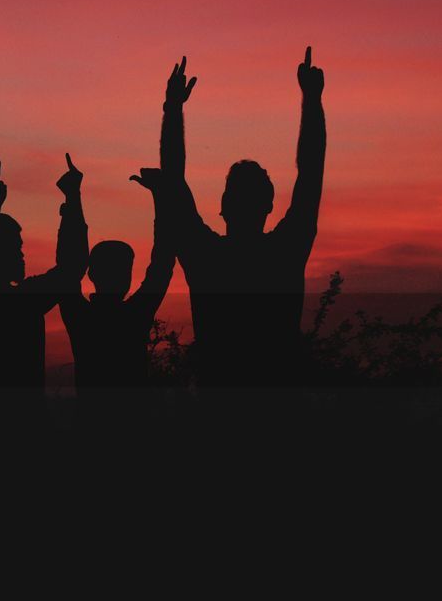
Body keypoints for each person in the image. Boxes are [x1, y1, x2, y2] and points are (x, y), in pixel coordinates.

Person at [136, 48, 326, 386]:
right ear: (268, 206)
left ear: (222, 204)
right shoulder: (285, 252)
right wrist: (312, 100)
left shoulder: (206, 256)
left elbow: (174, 179)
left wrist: (173, 108)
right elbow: (310, 174)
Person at [0, 157, 88, 421]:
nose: (22, 255)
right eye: (16, 248)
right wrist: (72, 199)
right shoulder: (21, 303)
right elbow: (72, 266)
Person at [59, 168, 175, 394]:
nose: (124, 275)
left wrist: (73, 198)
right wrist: (160, 196)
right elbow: (162, 263)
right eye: (123, 269)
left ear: (91, 274)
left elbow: (68, 268)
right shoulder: (135, 314)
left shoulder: (79, 316)